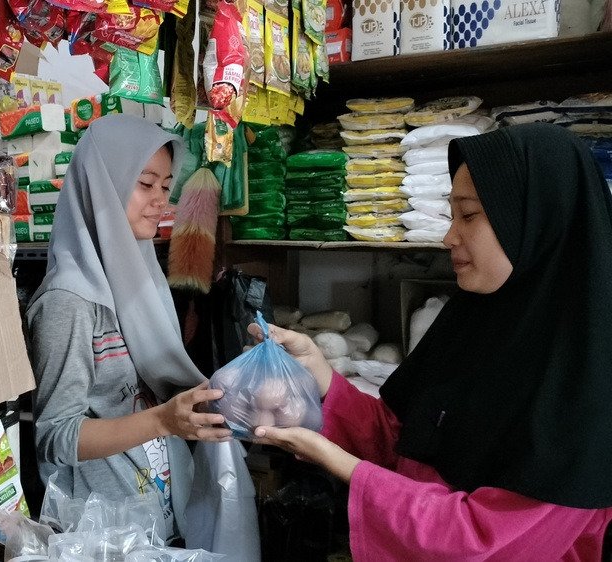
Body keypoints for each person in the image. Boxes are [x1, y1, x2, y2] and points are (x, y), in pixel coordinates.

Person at [252, 122, 612, 560]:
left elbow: (481, 543)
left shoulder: (589, 391)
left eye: (470, 214)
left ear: (538, 218)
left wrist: (339, 462)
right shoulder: (475, 322)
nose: (448, 236)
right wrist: (322, 375)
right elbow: (407, 440)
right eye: (452, 214)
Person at [26, 114, 236, 544]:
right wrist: (162, 420)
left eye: (165, 185)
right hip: (102, 536)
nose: (161, 199)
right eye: (144, 183)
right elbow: (55, 437)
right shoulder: (68, 302)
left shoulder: (142, 278)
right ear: (103, 186)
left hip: (154, 519)